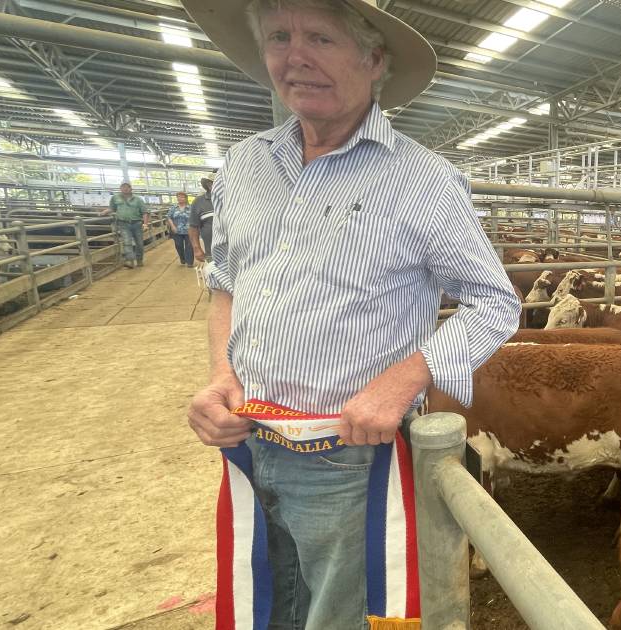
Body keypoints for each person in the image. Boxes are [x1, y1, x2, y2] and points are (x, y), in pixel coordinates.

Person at [180, 1, 520, 628]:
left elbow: (495, 301)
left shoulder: (423, 179)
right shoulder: (245, 164)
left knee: (341, 615)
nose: (295, 55)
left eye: (321, 37)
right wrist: (221, 376)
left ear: (374, 60)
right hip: (250, 441)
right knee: (267, 602)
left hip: (347, 451)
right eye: (279, 37)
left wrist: (404, 379)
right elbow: (227, 282)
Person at [100, 182, 149, 268]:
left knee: (140, 243)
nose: (125, 189)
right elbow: (112, 208)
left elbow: (144, 212)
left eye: (127, 187)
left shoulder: (138, 199)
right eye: (123, 187)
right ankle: (130, 261)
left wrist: (145, 224)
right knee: (127, 242)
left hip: (137, 223)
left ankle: (139, 259)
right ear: (120, 188)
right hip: (123, 223)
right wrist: (104, 212)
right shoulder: (115, 198)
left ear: (131, 189)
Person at [188, 175, 215, 263]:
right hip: (212, 253)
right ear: (209, 185)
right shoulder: (199, 202)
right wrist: (196, 248)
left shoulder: (233, 200)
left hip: (238, 252)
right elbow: (193, 227)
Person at [167, 192, 195, 267]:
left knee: (189, 246)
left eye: (182, 197)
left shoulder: (191, 207)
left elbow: (194, 217)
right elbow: (169, 217)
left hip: (188, 230)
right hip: (177, 230)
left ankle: (189, 262)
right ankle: (182, 258)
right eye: (178, 197)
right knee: (178, 245)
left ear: (186, 198)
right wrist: (172, 226)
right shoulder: (173, 207)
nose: (180, 198)